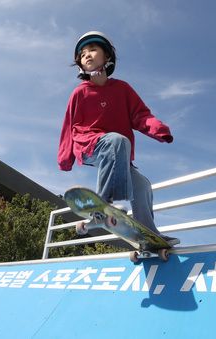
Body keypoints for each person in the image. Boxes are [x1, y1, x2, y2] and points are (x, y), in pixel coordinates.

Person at [57, 31, 179, 245]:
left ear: (107, 58)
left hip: (117, 153)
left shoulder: (122, 89)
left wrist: (158, 130)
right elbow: (68, 125)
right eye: (82, 54)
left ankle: (148, 235)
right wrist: (65, 159)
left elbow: (141, 115)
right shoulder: (79, 93)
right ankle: (102, 208)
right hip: (89, 145)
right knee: (117, 140)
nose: (87, 55)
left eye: (93, 50)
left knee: (142, 185)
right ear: (80, 66)